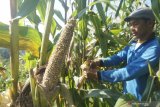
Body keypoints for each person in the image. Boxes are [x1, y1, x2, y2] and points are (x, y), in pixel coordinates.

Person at [85, 7, 160, 101]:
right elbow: (119, 56)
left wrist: (99, 75)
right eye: (130, 25)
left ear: (150, 23)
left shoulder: (153, 48)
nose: (131, 28)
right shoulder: (133, 44)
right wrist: (100, 62)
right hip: (128, 97)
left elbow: (129, 72)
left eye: (135, 24)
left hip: (142, 101)